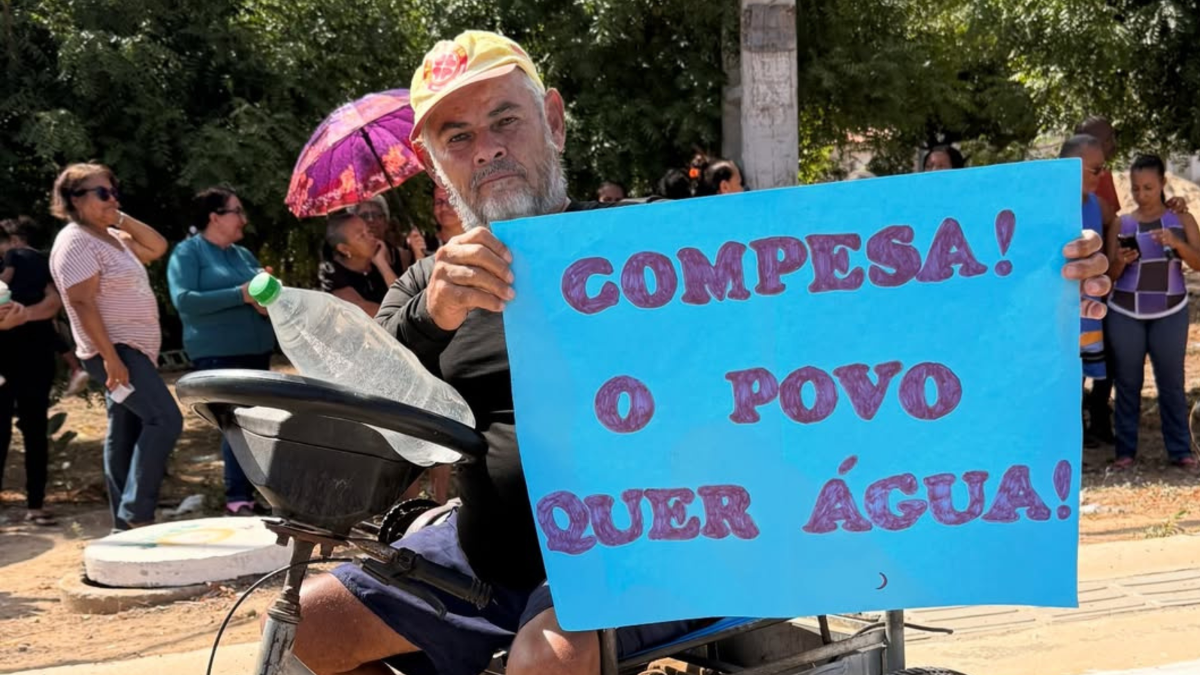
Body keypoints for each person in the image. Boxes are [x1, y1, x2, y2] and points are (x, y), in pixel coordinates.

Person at [282, 30, 1112, 675]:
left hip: (654, 551)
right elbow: (363, 423)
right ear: (436, 164)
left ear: (554, 121)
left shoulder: (666, 251)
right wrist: (431, 317)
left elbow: (854, 318)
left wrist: (1034, 282)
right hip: (481, 555)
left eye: (505, 119)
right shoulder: (424, 285)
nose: (487, 148)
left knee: (548, 660)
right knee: (297, 630)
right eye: (457, 136)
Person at [47, 163, 182, 531]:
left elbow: (156, 246)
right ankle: (137, 513)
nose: (112, 198)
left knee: (125, 431)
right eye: (103, 193)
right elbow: (82, 303)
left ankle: (123, 526)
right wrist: (110, 358)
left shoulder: (110, 236)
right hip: (115, 351)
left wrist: (117, 217)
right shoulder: (76, 241)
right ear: (75, 200)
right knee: (165, 419)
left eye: (114, 191)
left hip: (130, 350)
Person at [167, 186, 276, 516]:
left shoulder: (243, 255)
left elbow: (260, 299)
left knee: (256, 425)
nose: (244, 219)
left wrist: (267, 298)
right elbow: (184, 300)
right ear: (214, 217)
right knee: (236, 425)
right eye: (237, 211)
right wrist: (240, 295)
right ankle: (237, 499)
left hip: (257, 354)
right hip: (218, 356)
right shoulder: (188, 253)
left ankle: (255, 495)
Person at [1105, 154, 1200, 470]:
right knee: (1127, 382)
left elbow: (1198, 262)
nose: (1141, 194)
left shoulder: (1181, 220)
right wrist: (1121, 261)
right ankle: (1125, 452)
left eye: (1148, 187)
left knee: (1172, 382)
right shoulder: (1122, 223)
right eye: (1136, 188)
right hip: (1124, 311)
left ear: (1162, 183)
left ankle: (1180, 450)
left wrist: (1177, 243)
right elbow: (1109, 276)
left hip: (1171, 310)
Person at [0, 217, 67, 526]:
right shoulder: (40, 262)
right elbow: (52, 302)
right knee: (34, 432)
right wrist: (27, 315)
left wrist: (20, 316)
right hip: (34, 356)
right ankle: (35, 505)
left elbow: (54, 302)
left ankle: (35, 503)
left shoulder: (20, 261)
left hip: (26, 357)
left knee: (28, 432)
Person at [1058, 136, 1119, 448]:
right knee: (1064, 375)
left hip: (1090, 308)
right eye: (1095, 170)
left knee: (1085, 370)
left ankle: (1087, 429)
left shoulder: (1097, 205)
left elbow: (1115, 222)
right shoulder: (1052, 206)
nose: (1101, 175)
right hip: (1059, 311)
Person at [0, 217, 90, 396]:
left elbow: (7, 277)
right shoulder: (44, 257)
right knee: (53, 336)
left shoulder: (13, 255)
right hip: (40, 307)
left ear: (14, 240)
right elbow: (54, 288)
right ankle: (76, 368)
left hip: (17, 303)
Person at [319, 210, 399, 316]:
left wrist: (383, 265)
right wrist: (383, 266)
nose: (372, 237)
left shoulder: (381, 254)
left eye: (368, 231)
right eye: (362, 236)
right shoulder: (335, 278)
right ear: (344, 249)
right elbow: (389, 314)